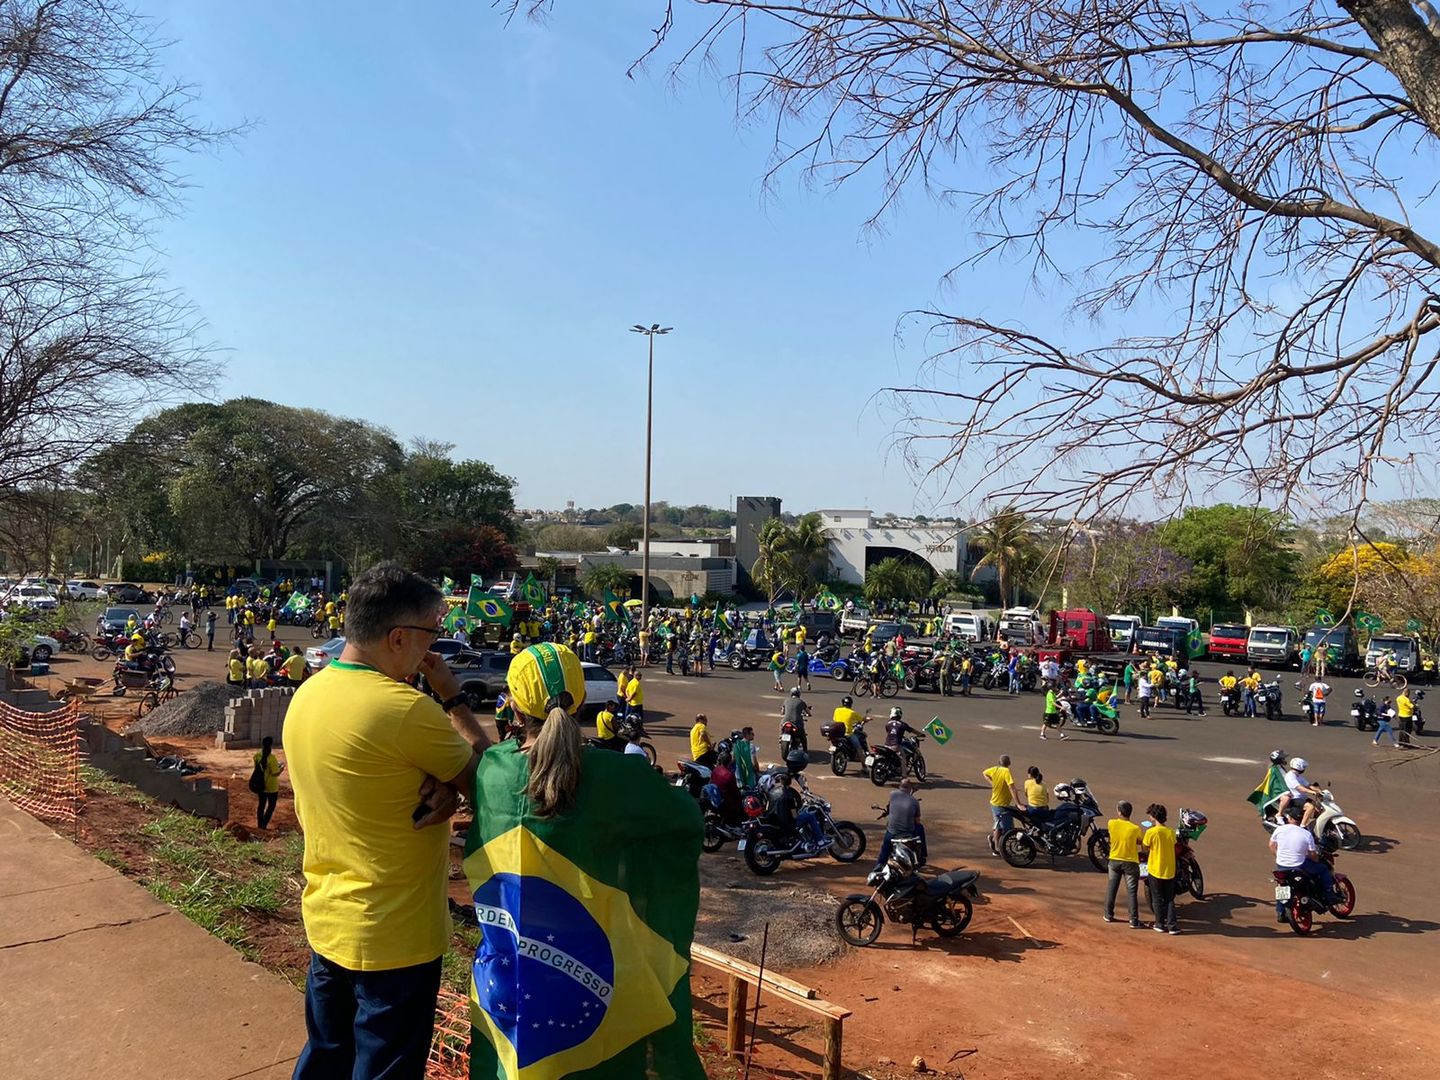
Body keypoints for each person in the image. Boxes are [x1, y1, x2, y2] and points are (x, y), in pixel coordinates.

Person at [464, 640, 705, 1079]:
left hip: (510, 972)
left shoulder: (494, 771)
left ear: (514, 710)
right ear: (579, 701)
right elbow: (684, 821)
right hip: (591, 975)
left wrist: (450, 699)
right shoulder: (619, 776)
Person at [285, 564, 489, 1080]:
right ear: (399, 637)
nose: (433, 649)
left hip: (330, 918)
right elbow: (492, 784)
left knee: (326, 1058)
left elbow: (370, 778)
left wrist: (443, 786)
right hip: (394, 935)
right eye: (432, 633)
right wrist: (452, 696)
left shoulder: (308, 693)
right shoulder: (404, 709)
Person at [1270, 804, 1340, 923]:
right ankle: (1329, 895)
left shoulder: (1280, 829)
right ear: (1301, 819)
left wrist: (1279, 856)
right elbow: (1312, 855)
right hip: (1299, 866)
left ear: (1290, 818)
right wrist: (1316, 859)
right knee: (1323, 869)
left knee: (1282, 886)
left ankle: (1281, 912)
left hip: (1281, 866)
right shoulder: (1306, 834)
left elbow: (1271, 845)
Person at [1102, 801, 1144, 928]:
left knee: (1111, 888)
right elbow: (1140, 841)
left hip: (1114, 860)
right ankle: (1133, 920)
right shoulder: (1135, 828)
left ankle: (1108, 914)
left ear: (1119, 812)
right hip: (1130, 862)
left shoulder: (1112, 823)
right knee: (1132, 892)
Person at [870, 778, 924, 874]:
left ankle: (877, 870)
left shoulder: (893, 794)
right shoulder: (914, 802)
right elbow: (917, 821)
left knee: (884, 851)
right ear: (910, 788)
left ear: (900, 787)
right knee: (920, 828)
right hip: (907, 833)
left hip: (891, 833)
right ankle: (922, 856)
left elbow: (890, 807)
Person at [1140, 803, 1179, 934]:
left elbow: (1145, 848)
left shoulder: (1151, 832)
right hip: (1169, 869)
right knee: (1169, 898)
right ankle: (1172, 926)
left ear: (1153, 817)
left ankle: (1160, 924)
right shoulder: (1171, 832)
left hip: (1155, 869)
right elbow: (1173, 844)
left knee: (1157, 897)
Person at [983, 754, 1023, 856]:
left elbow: (985, 773)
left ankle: (994, 843)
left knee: (998, 825)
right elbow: (1012, 787)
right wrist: (1018, 803)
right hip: (1001, 804)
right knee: (1005, 827)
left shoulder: (995, 769)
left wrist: (992, 783)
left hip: (995, 802)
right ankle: (997, 847)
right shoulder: (1006, 771)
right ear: (1009, 763)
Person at [253, 736, 283, 829]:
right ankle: (264, 825)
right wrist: (281, 768)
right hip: (271, 787)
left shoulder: (257, 755)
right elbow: (275, 773)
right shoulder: (272, 758)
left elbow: (257, 768)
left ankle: (259, 825)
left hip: (261, 785)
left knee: (261, 806)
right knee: (271, 806)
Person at [831, 695, 868, 763]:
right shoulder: (852, 712)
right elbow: (861, 719)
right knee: (859, 748)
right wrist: (867, 719)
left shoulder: (837, 710)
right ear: (850, 704)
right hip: (848, 733)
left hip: (838, 733)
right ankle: (864, 767)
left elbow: (835, 719)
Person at [781, 687, 811, 753]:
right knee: (802, 735)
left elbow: (782, 712)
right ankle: (805, 750)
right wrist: (808, 715)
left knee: (782, 728)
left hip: (785, 721)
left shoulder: (786, 700)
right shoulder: (801, 702)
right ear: (799, 694)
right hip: (796, 722)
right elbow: (808, 712)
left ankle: (781, 736)